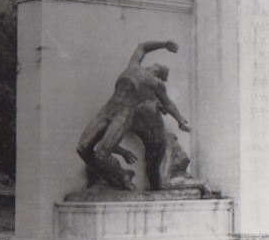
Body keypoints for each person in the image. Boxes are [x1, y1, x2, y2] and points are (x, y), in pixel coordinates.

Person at [77, 40, 190, 190]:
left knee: (101, 154)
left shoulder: (157, 85)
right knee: (83, 148)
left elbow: (168, 104)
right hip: (107, 110)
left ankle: (122, 178)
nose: (163, 68)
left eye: (164, 71)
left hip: (123, 116)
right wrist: (164, 44)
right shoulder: (133, 66)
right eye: (164, 69)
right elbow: (142, 46)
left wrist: (181, 121)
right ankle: (116, 176)